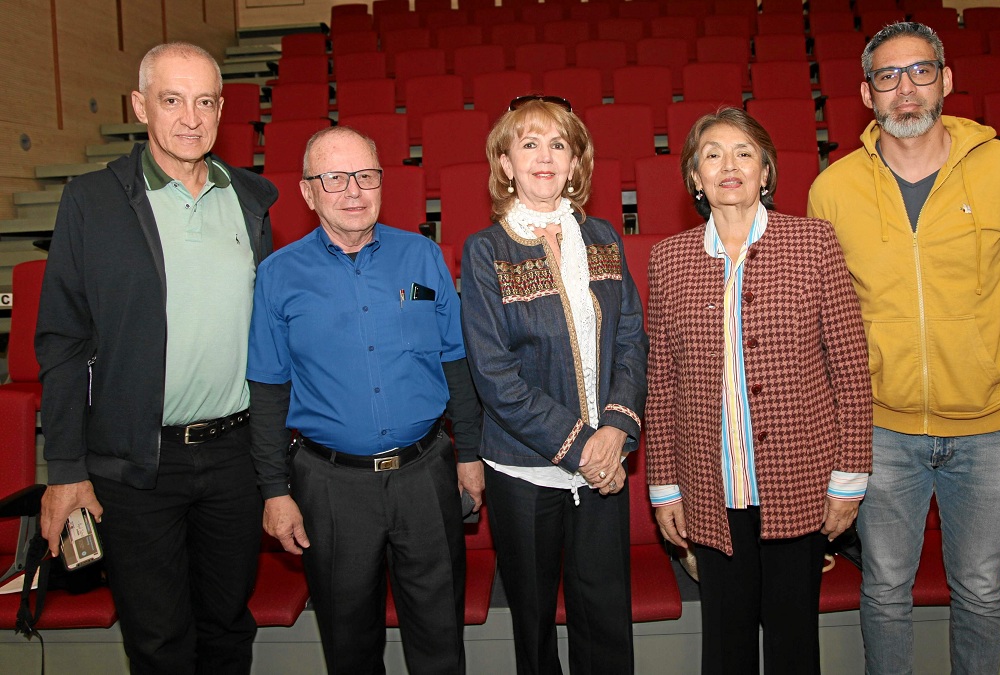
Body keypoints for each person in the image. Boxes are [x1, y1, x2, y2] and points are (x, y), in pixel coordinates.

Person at [807, 22, 1000, 675]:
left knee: (979, 587)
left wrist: (976, 346)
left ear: (945, 80)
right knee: (885, 588)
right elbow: (830, 309)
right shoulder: (833, 189)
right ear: (866, 94)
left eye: (919, 72)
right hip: (881, 428)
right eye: (887, 77)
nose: (905, 89)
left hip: (990, 428)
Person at [35, 42, 276, 673]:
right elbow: (61, 342)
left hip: (233, 459)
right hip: (136, 463)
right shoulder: (90, 201)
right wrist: (65, 468)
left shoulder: (253, 201)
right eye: (172, 100)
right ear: (141, 106)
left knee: (227, 628)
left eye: (205, 101)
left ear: (223, 109)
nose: (190, 118)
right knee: (158, 642)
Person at [246, 125, 485, 674]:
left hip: (426, 475)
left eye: (365, 176)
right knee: (350, 647)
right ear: (308, 193)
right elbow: (267, 391)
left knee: (440, 642)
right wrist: (274, 492)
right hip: (331, 488)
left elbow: (456, 364)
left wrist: (469, 455)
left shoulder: (422, 258)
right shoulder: (278, 276)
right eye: (334, 178)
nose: (353, 190)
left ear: (381, 182)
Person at [646, 107, 872, 675]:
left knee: (794, 644)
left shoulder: (813, 242)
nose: (729, 166)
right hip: (708, 485)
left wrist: (849, 478)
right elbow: (662, 382)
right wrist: (664, 485)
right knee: (725, 645)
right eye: (712, 155)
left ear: (766, 172)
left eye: (744, 153)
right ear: (694, 178)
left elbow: (850, 367)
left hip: (798, 480)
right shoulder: (668, 259)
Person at [460, 95, 647, 675]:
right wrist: (582, 445)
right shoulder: (485, 250)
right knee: (535, 624)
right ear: (505, 163)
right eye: (529, 144)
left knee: (607, 621)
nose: (545, 157)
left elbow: (631, 342)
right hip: (523, 472)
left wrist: (613, 432)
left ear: (576, 163)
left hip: (605, 465)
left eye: (558, 144)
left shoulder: (603, 238)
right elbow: (494, 375)